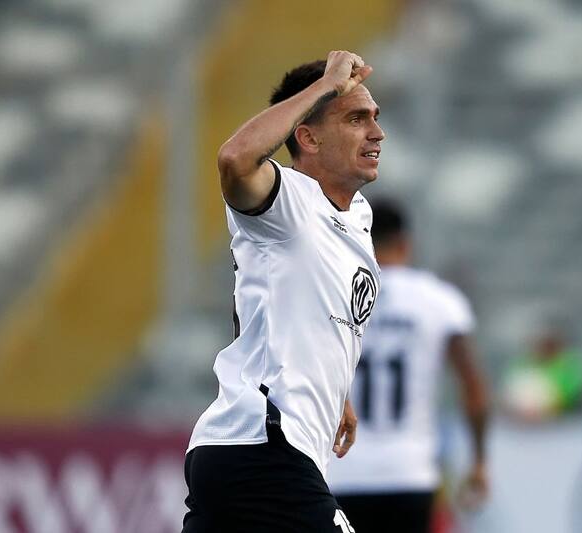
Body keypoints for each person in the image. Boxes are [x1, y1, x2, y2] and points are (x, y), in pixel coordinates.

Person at [181, 50, 384, 533]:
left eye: (375, 118)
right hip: (263, 447)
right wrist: (322, 88)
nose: (376, 133)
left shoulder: (359, 216)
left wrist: (340, 394)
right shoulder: (286, 200)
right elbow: (234, 158)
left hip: (250, 452)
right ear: (308, 136)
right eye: (356, 119)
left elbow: (309, 311)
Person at [327, 199, 490, 533]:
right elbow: (473, 388)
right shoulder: (440, 300)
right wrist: (478, 462)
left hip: (341, 469)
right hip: (409, 471)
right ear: (406, 242)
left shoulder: (334, 295)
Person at [501, 319, 582, 423]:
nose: (545, 346)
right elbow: (507, 397)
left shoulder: (572, 365)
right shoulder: (522, 363)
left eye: (550, 341)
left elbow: (570, 400)